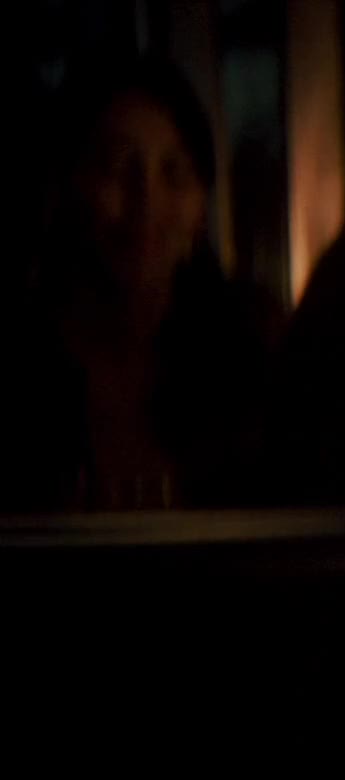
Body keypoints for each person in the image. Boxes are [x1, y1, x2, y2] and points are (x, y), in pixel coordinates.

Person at [0, 58, 281, 512]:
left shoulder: (252, 354)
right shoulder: (22, 365)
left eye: (174, 172)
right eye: (118, 167)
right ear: (66, 185)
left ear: (202, 206)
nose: (146, 202)